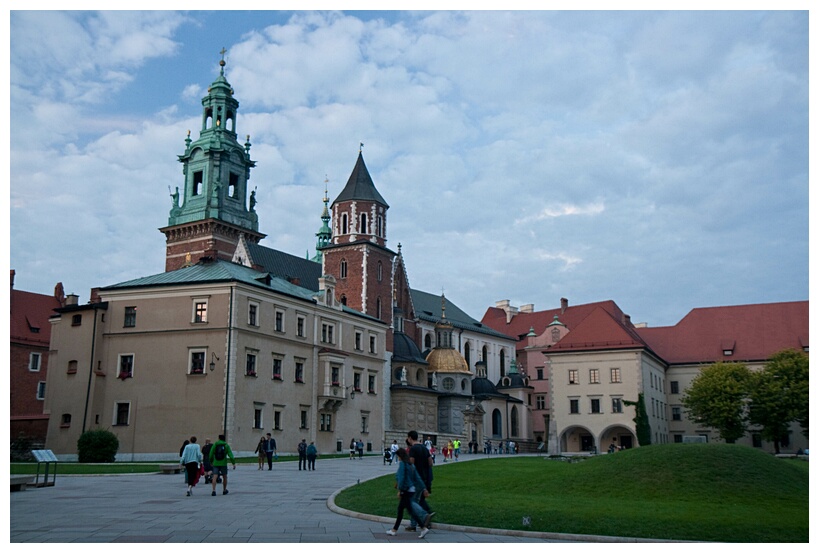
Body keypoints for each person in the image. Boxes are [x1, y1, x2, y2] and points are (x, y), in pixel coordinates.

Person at [386, 448, 431, 539]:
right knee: (402, 510)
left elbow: (402, 478)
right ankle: (394, 530)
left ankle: (423, 527)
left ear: (400, 456)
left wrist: (400, 490)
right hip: (411, 490)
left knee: (409, 511)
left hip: (405, 490)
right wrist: (424, 488)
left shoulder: (403, 464)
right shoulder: (411, 464)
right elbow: (417, 478)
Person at [407, 430, 434, 532]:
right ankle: (413, 525)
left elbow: (411, 464)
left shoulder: (413, 449)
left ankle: (425, 515)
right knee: (418, 500)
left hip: (416, 478)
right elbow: (430, 463)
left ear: (410, 438)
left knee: (413, 501)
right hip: (425, 477)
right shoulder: (424, 448)